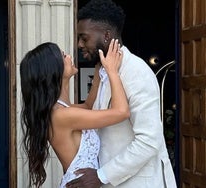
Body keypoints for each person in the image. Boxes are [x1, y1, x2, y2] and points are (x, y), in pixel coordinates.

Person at [66, 0, 177, 187]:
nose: (79, 44)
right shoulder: (102, 72)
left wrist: (101, 175)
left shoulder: (136, 72)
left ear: (107, 35)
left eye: (84, 38)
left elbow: (149, 142)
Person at [20, 39, 129, 188]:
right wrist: (112, 71)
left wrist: (99, 69)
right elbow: (121, 112)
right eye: (64, 56)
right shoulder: (62, 115)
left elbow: (88, 106)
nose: (70, 56)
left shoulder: (62, 108)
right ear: (54, 70)